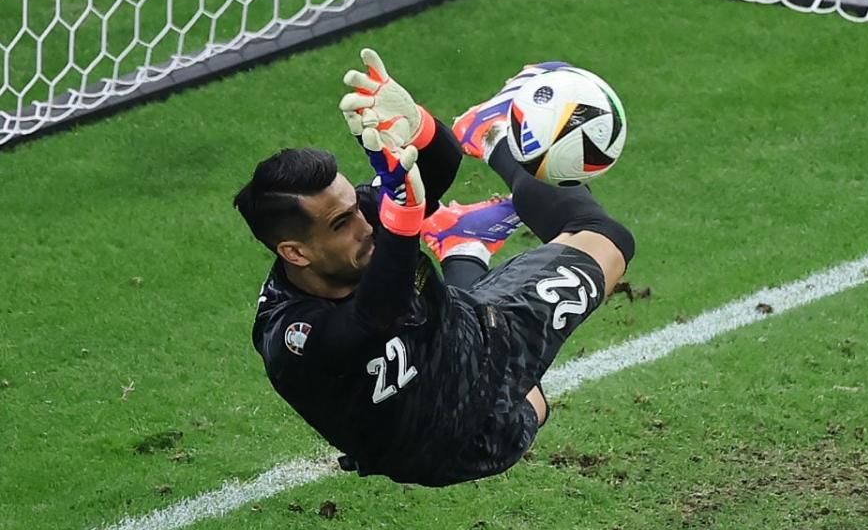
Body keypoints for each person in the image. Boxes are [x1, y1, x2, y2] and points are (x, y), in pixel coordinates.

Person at [233, 49, 635, 486]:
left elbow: (439, 169)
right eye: (341, 223)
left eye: (355, 206)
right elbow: (376, 315)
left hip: (474, 331)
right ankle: (482, 193)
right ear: (295, 253)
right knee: (530, 402)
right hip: (449, 444)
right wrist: (405, 217)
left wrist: (418, 127)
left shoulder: (356, 225)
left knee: (603, 236)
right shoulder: (292, 335)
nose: (365, 224)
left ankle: (484, 148)